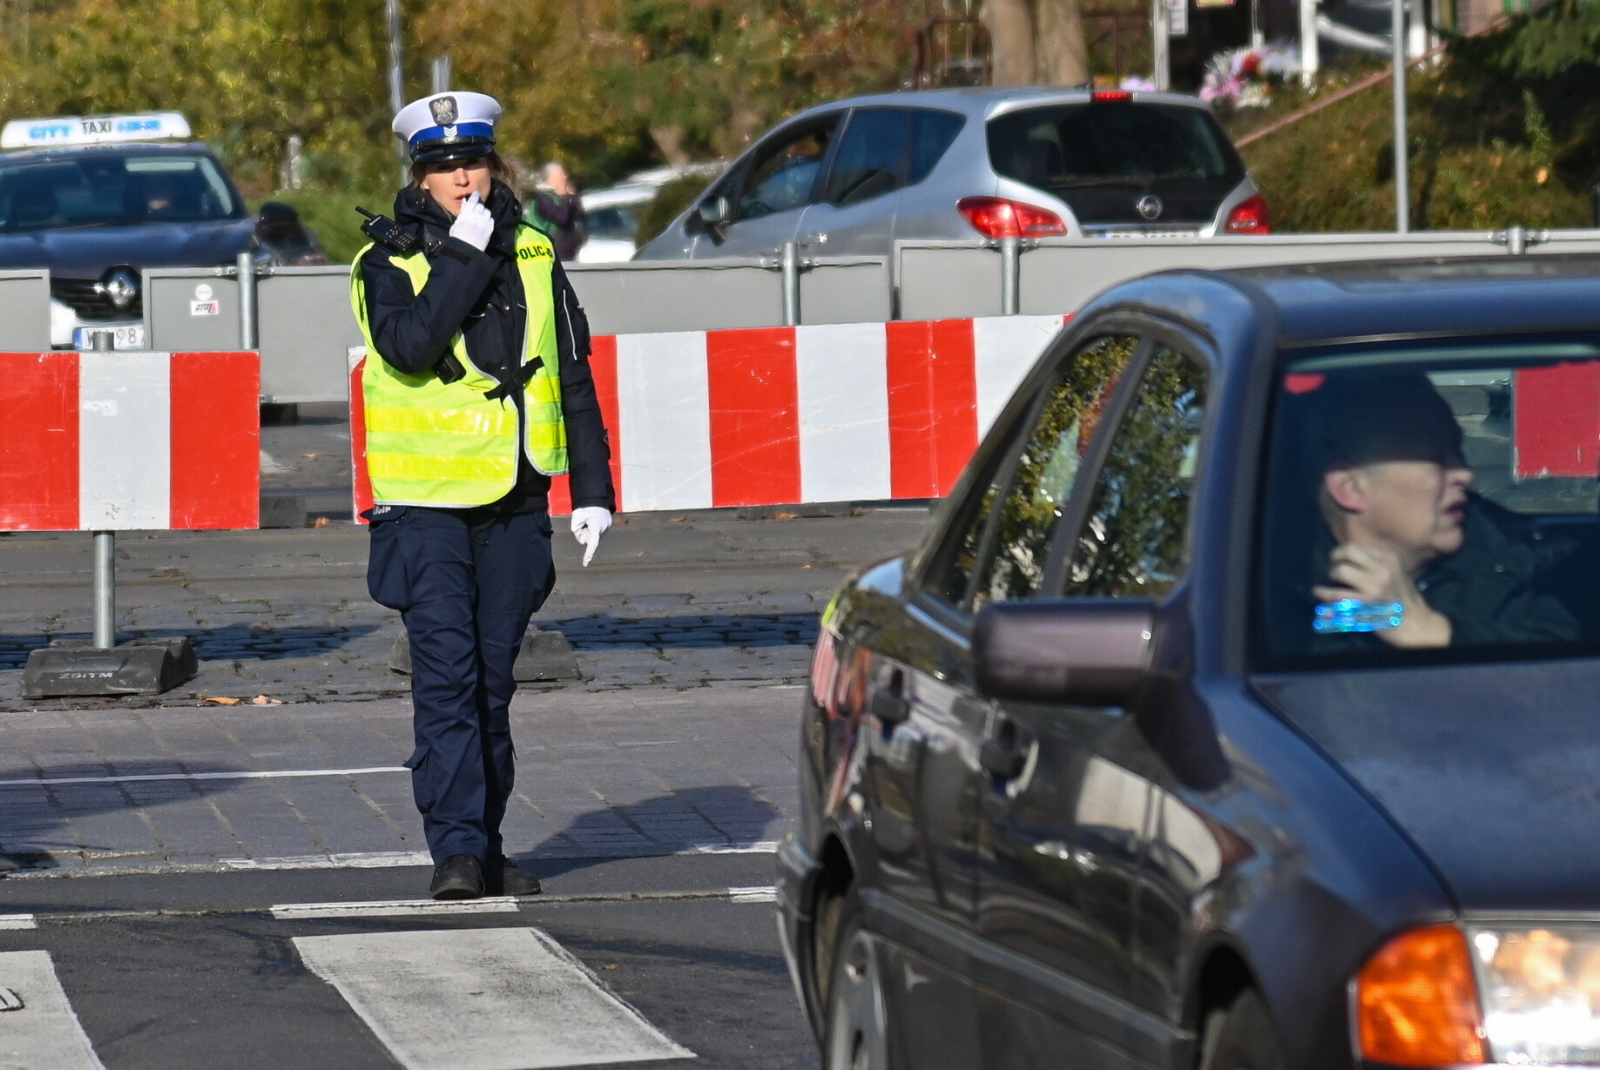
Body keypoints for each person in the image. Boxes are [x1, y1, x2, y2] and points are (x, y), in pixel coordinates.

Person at [350, 91, 616, 899]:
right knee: (447, 680)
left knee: (493, 684)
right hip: (424, 503)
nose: (461, 179)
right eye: (443, 167)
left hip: (516, 499)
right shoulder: (384, 263)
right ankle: (457, 852)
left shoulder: (533, 249)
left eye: (472, 163)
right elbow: (409, 346)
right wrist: (462, 257)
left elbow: (570, 370)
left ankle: (486, 845)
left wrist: (594, 488)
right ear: (420, 178)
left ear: (493, 166)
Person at [1274, 373, 1576, 654]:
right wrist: (1381, 616)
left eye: (1457, 451)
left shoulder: (1503, 558)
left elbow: (1562, 671)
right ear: (1350, 487)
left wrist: (1427, 630)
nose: (1466, 475)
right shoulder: (1273, 591)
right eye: (1436, 459)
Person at [528, 162, 586, 262]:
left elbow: (579, 216)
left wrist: (572, 198)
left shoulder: (558, 198)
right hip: (546, 251)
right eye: (562, 174)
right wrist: (566, 197)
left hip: (566, 249)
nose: (565, 177)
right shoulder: (543, 198)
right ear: (552, 177)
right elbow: (562, 218)